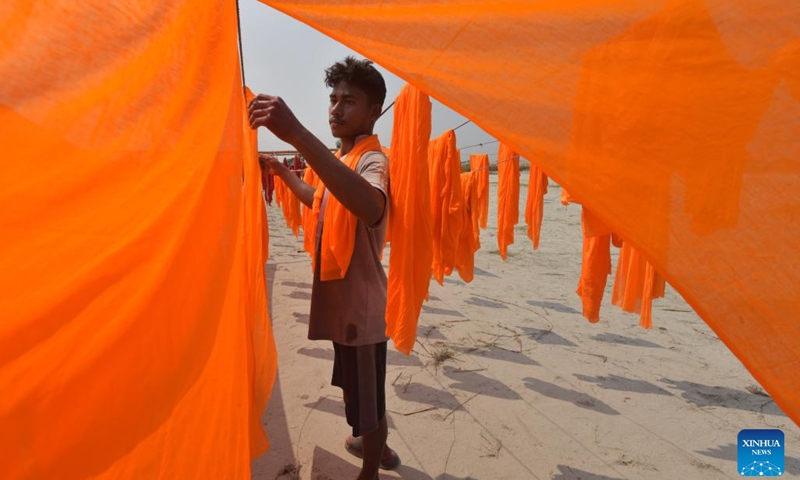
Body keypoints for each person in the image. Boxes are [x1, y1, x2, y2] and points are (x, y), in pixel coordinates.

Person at [248, 56, 400, 480]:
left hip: (364, 311)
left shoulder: (373, 161)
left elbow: (370, 206)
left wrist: (296, 134)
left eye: (349, 101)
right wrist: (281, 171)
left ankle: (371, 465)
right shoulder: (345, 159)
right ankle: (365, 437)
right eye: (333, 99)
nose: (336, 109)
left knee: (371, 404)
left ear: (374, 112)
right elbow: (317, 199)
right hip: (343, 306)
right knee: (358, 394)